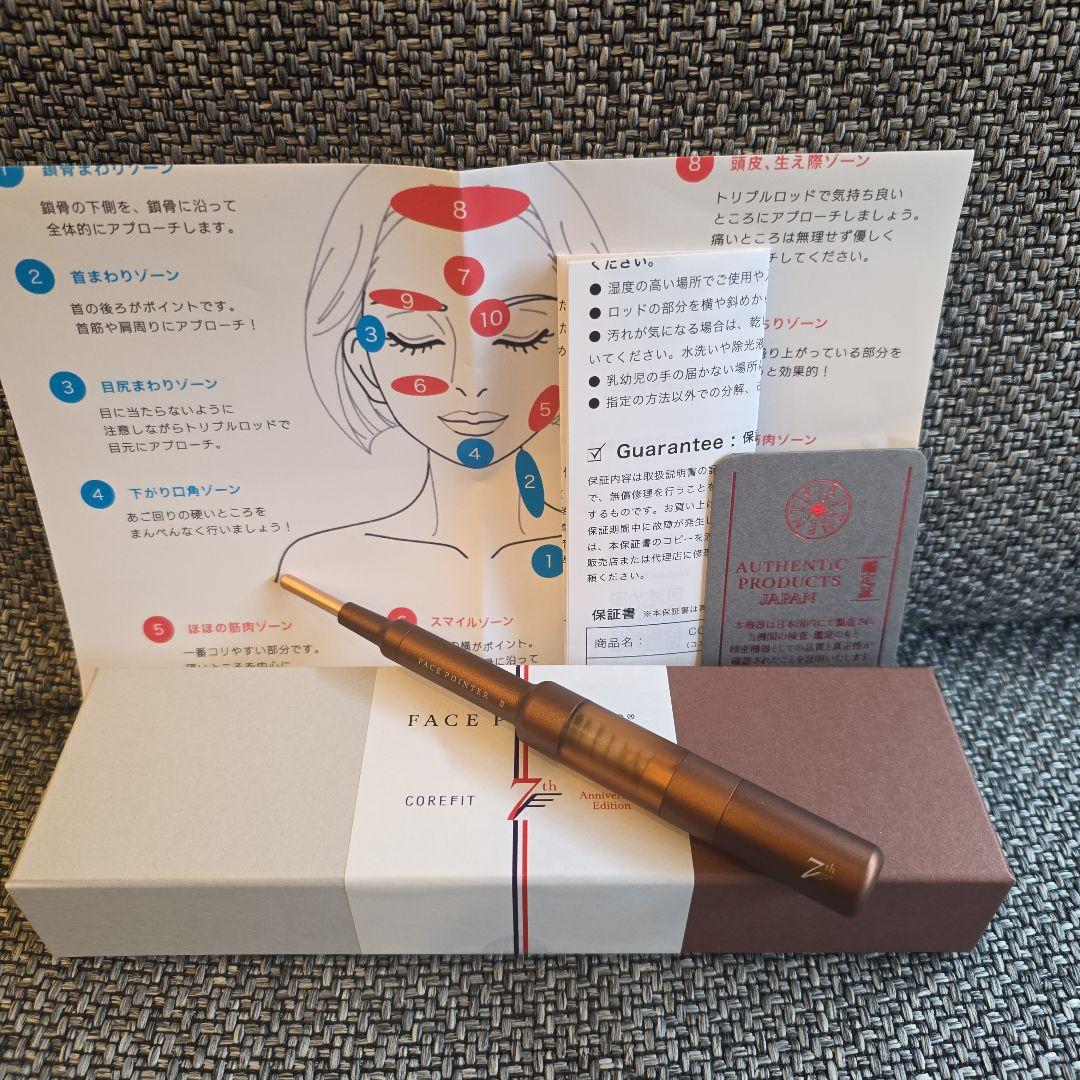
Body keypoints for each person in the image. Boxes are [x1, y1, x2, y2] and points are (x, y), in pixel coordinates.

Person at [277, 164, 606, 663]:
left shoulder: (609, 556)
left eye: (525, 336)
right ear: (361, 359)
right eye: (416, 340)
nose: (469, 383)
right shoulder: (319, 571)